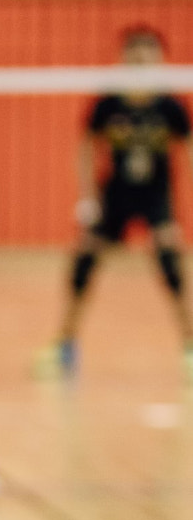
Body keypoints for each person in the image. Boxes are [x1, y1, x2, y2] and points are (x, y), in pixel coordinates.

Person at [41, 24, 193, 379]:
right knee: (83, 263)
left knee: (172, 263)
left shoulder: (171, 105)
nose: (141, 60)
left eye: (148, 53)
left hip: (156, 195)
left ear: (160, 58)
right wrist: (87, 197)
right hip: (115, 195)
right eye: (134, 53)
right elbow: (84, 147)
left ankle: (189, 344)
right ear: (123, 57)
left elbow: (186, 151)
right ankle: (65, 346)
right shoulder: (108, 102)